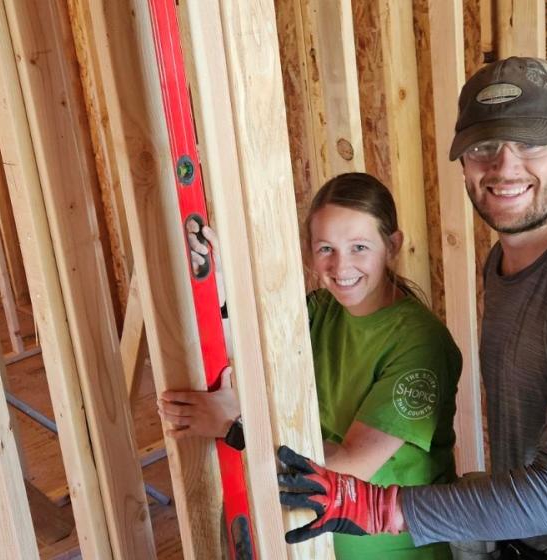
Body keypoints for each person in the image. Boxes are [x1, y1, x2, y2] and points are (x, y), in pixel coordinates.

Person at [277, 56, 547, 559]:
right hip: (525, 541)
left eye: (530, 143)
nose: (504, 166)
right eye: (483, 148)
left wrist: (381, 508)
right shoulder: (506, 259)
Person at [158, 173, 462, 559]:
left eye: (359, 247)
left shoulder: (419, 342)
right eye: (326, 249)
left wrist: (237, 425)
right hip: (312, 539)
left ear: (393, 245)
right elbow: (253, 350)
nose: (341, 265)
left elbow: (352, 467)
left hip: (387, 550)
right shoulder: (321, 309)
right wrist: (220, 286)